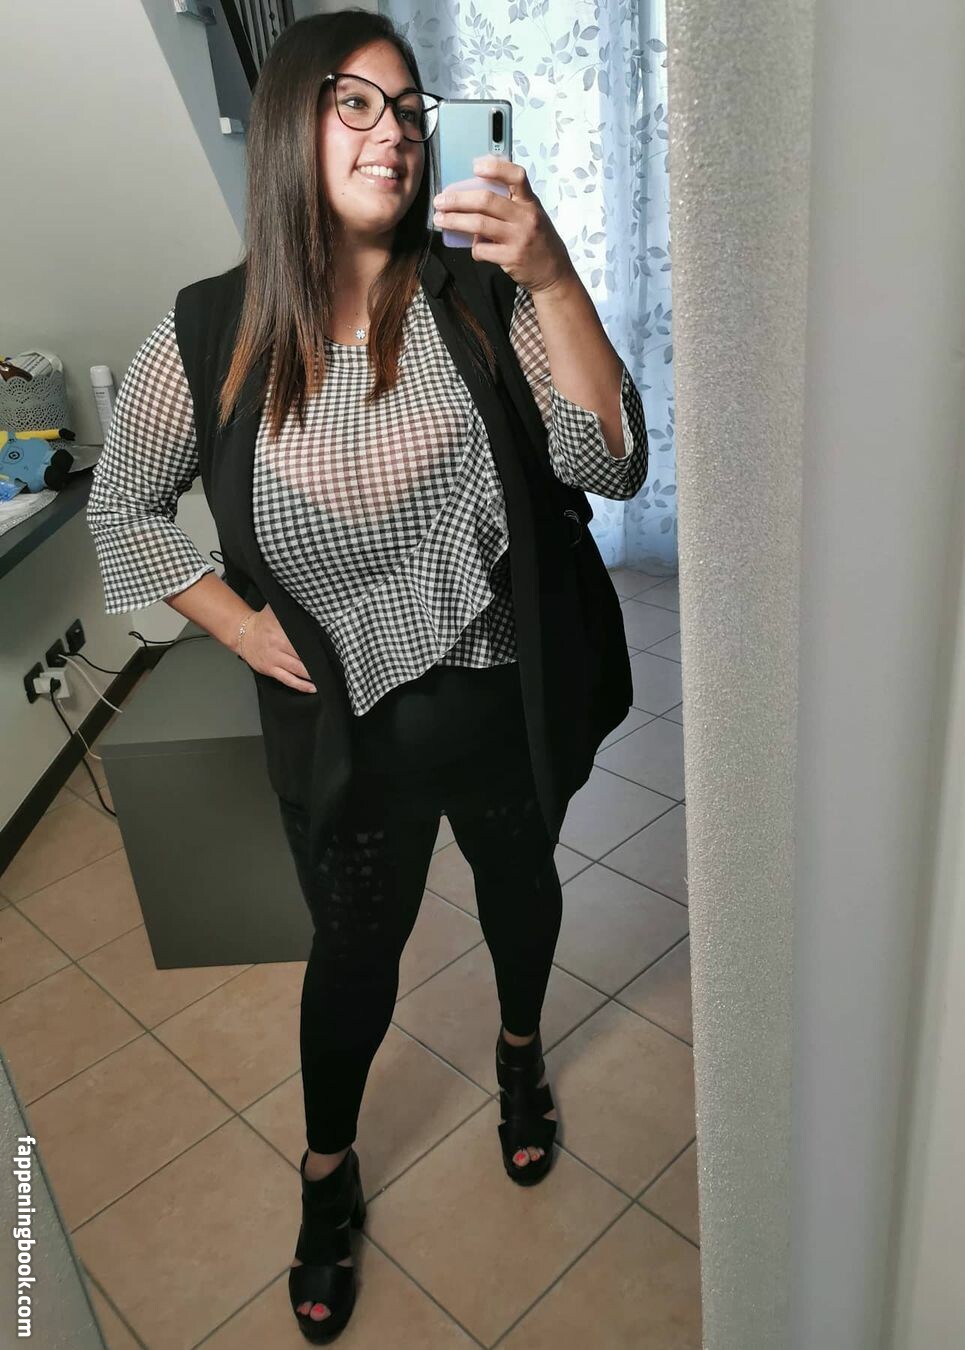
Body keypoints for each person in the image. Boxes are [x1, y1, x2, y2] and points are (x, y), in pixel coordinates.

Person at [86, 10, 648, 1342]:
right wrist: (238, 627)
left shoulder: (479, 293)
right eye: (356, 103)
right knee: (353, 958)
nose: (392, 132)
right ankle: (326, 1172)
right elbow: (123, 511)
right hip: (341, 727)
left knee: (521, 892)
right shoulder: (212, 330)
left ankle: (520, 1056)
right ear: (290, 123)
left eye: (408, 108)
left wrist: (555, 274)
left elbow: (611, 462)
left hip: (497, 694)